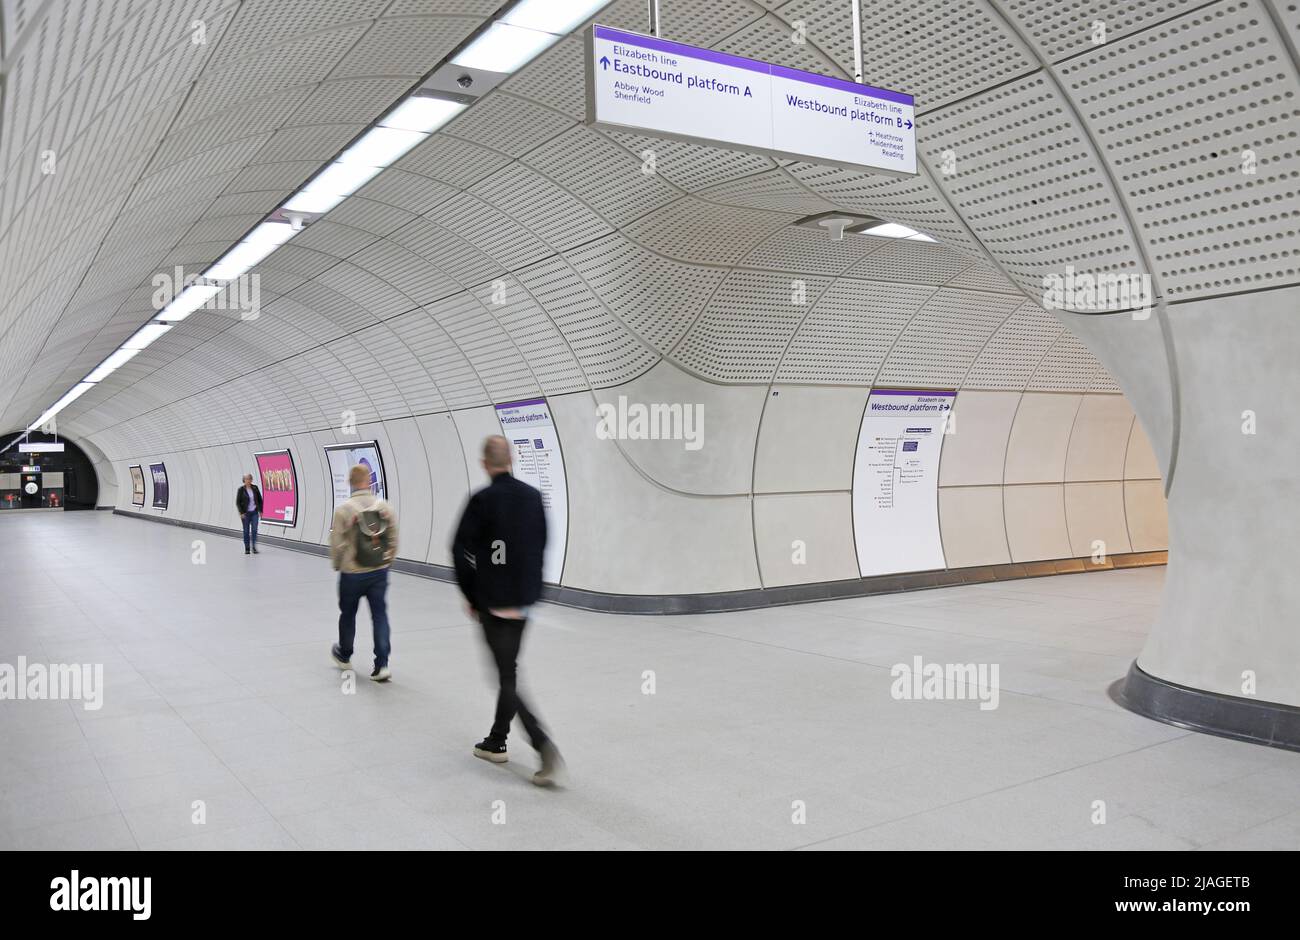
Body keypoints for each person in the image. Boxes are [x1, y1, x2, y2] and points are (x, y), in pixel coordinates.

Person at [452, 435, 563, 787]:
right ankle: (496, 740)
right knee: (508, 670)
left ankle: (542, 744)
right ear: (511, 459)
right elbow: (543, 542)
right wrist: (531, 587)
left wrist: (472, 594)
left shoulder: (482, 500)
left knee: (505, 676)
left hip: (493, 601)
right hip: (524, 600)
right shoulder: (533, 498)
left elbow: (459, 551)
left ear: (485, 464)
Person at [329, 464, 398, 682]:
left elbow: (337, 544)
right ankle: (382, 665)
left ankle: (345, 654)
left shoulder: (343, 510)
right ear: (369, 481)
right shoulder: (384, 507)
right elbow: (393, 539)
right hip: (379, 571)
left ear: (350, 482)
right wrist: (387, 560)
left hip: (352, 573)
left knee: (348, 614)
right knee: (379, 615)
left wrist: (338, 564)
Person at [235, 473, 263, 554]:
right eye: (246, 479)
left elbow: (260, 500)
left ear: (251, 480)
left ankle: (254, 547)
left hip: (254, 512)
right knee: (246, 531)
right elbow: (238, 502)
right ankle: (247, 548)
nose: (248, 480)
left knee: (254, 530)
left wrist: (260, 511)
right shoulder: (241, 490)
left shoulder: (255, 488)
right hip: (245, 514)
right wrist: (241, 512)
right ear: (244, 480)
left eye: (250, 479)